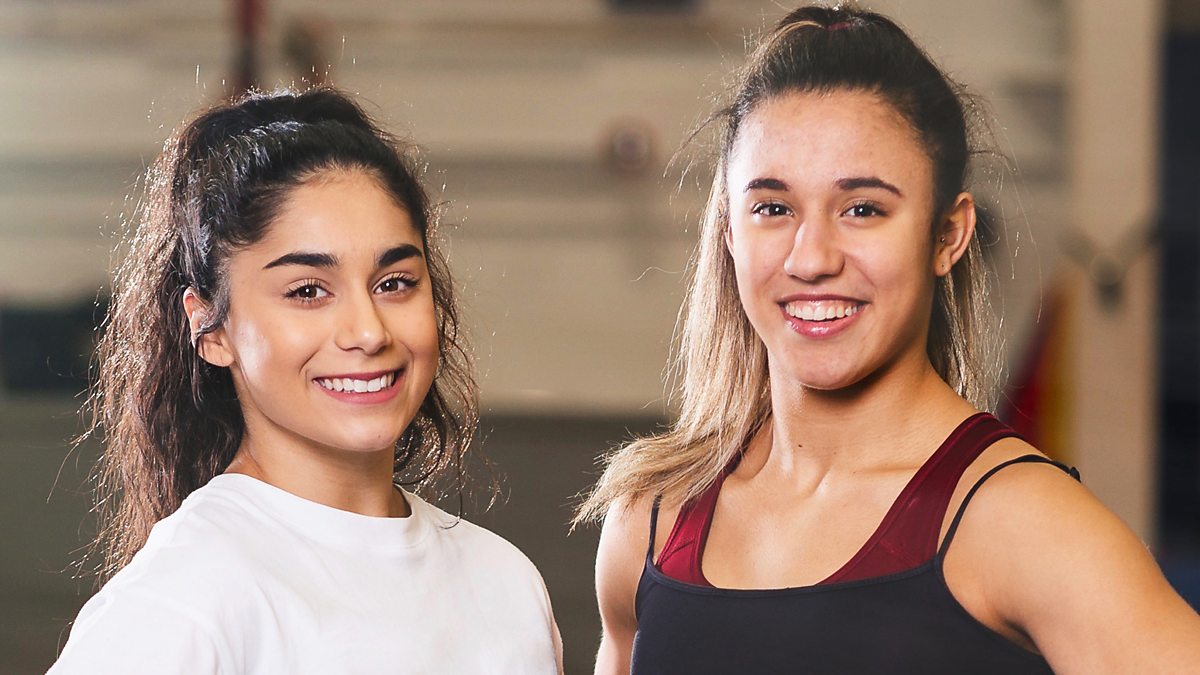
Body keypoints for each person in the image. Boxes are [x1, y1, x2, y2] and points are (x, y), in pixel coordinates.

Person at [579, 5, 1200, 673]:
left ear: (948, 235)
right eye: (773, 208)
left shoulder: (1022, 524)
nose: (811, 257)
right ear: (730, 230)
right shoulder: (650, 524)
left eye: (863, 209)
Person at [50, 87, 561, 674]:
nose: (368, 332)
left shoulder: (505, 584)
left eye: (394, 283)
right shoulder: (181, 601)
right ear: (210, 328)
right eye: (308, 291)